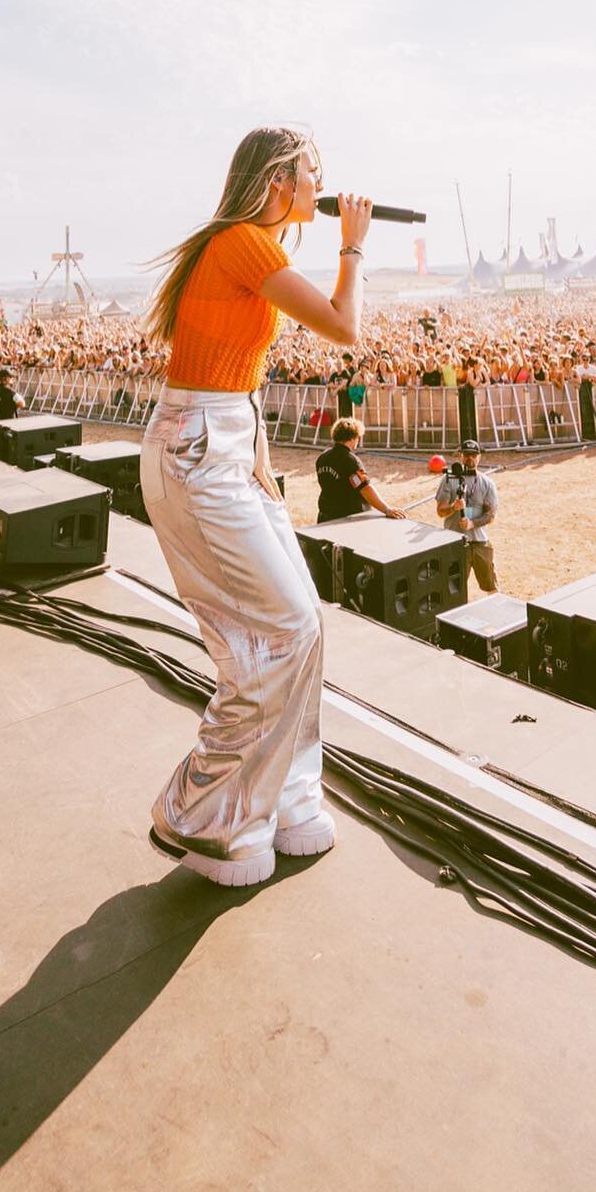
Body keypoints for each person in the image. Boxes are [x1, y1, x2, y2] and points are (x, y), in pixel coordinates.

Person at [139, 123, 374, 889]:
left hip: (227, 442)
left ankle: (285, 797)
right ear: (279, 180)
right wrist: (353, 245)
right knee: (272, 632)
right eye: (313, 171)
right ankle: (205, 814)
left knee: (300, 627)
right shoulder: (244, 241)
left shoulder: (246, 248)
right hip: (197, 449)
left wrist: (261, 459)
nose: (321, 183)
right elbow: (344, 328)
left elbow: (236, 372)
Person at [436, 437, 500, 593]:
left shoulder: (487, 483)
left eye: (473, 455)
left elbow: (491, 515)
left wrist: (472, 524)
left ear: (479, 457)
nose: (470, 458)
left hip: (479, 542)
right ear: (460, 456)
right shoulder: (448, 479)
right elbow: (440, 511)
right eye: (466, 454)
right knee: (452, 590)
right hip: (455, 543)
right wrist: (454, 507)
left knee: (491, 588)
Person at [314, 418, 405, 523]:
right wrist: (387, 509)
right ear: (353, 438)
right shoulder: (350, 461)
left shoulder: (323, 457)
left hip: (325, 515)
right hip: (346, 518)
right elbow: (365, 488)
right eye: (358, 437)